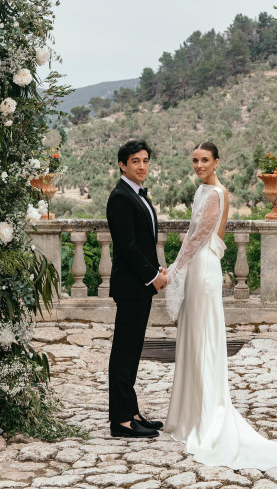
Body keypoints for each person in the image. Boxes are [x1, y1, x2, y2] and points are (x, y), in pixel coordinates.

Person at [164, 141, 277, 469]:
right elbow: (195, 234)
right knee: (194, 336)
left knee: (204, 338)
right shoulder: (201, 191)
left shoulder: (216, 193)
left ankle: (206, 416)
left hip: (203, 267)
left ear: (217, 162)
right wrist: (180, 267)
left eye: (205, 160)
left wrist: (176, 268)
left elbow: (200, 236)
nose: (199, 165)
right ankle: (191, 415)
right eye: (195, 160)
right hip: (198, 265)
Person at [107, 139, 167, 438]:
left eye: (145, 160)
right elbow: (127, 246)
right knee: (124, 353)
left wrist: (157, 269)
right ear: (122, 165)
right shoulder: (120, 197)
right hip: (131, 286)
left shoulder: (137, 194)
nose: (142, 166)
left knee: (132, 353)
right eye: (135, 161)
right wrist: (152, 276)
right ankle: (121, 421)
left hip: (139, 285)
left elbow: (144, 242)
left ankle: (131, 413)